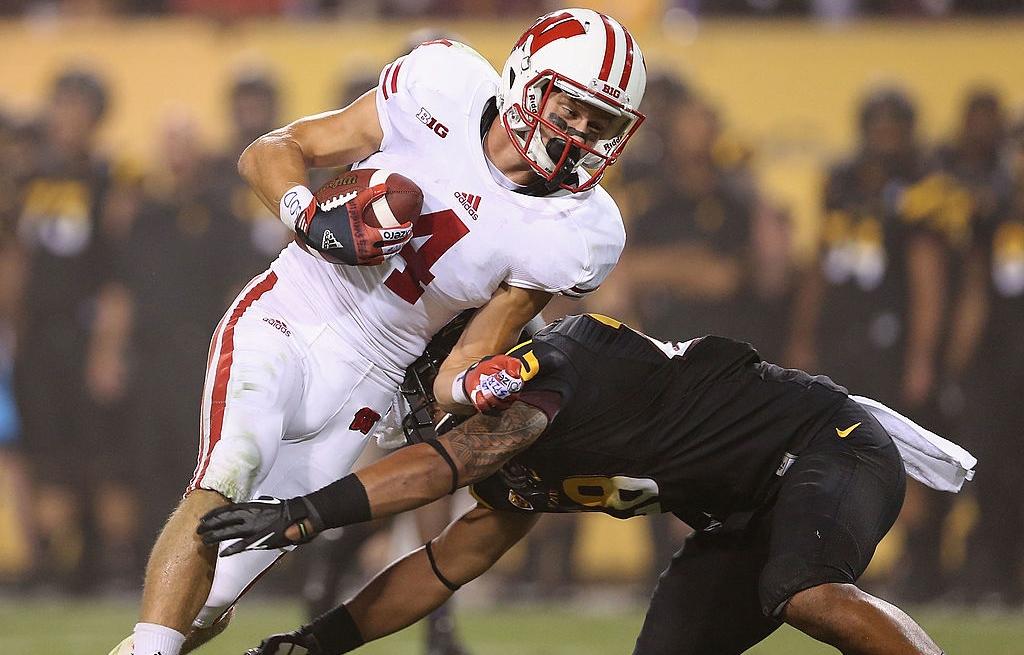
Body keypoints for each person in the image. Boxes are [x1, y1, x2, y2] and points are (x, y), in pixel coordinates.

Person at [109, 9, 648, 655]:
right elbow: (272, 152)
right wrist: (305, 215)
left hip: (375, 379)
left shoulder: (578, 229)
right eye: (572, 108)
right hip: (296, 308)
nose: (581, 133)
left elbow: (471, 354)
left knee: (221, 590)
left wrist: (480, 387)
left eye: (602, 123)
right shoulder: (438, 83)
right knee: (230, 469)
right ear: (528, 81)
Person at [201, 312, 970, 655]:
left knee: (803, 589)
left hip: (826, 444)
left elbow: (454, 462)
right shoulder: (512, 446)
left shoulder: (552, 368)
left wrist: (307, 511)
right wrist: (321, 641)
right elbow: (446, 563)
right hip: (742, 512)